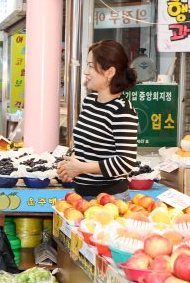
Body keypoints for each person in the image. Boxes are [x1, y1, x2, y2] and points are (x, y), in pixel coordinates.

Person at [57, 40, 139, 201]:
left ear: (110, 72)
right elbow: (86, 147)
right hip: (81, 195)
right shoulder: (90, 101)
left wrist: (82, 168)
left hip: (110, 199)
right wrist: (69, 166)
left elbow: (126, 162)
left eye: (91, 66)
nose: (86, 72)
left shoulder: (122, 110)